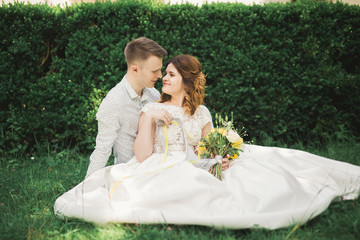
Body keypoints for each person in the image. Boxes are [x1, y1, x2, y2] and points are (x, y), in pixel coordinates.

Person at [54, 55, 360, 230]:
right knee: (187, 184)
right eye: (165, 75)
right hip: (163, 163)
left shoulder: (201, 112)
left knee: (262, 168)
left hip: (196, 161)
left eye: (171, 75)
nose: (165, 79)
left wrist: (219, 156)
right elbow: (143, 156)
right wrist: (148, 119)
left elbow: (205, 147)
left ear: (187, 81)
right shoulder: (151, 109)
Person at [85, 37, 167, 177]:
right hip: (130, 175)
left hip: (159, 168)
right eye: (154, 71)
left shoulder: (154, 94)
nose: (160, 76)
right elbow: (102, 150)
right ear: (135, 69)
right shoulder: (114, 102)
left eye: (160, 70)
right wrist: (86, 188)